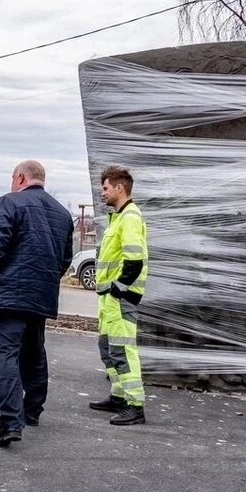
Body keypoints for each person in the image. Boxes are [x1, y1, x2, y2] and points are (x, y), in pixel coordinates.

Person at [0, 160, 73, 447]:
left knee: (6, 353)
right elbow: (64, 259)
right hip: (40, 295)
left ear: (20, 177)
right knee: (34, 351)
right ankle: (33, 409)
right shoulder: (63, 214)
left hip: (11, 296)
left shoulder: (10, 202)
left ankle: (9, 421)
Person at [89, 164, 149, 426]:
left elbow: (134, 261)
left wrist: (118, 289)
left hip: (119, 299)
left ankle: (135, 406)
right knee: (109, 349)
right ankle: (119, 396)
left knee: (123, 351)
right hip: (109, 298)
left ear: (119, 188)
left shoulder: (130, 217)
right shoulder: (119, 217)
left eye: (105, 188)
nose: (102, 192)